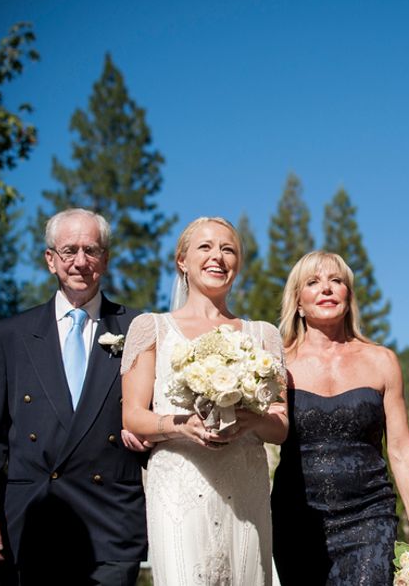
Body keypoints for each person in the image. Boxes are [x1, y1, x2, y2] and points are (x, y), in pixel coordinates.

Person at [0, 208, 148, 585]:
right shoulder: (10, 335)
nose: (80, 261)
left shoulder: (140, 329)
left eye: (91, 250)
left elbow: (156, 416)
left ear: (105, 259)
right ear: (50, 260)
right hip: (34, 520)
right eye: (69, 251)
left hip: (112, 520)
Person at [121, 216, 288, 586]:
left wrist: (250, 420)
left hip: (245, 485)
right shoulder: (151, 328)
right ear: (182, 260)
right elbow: (132, 416)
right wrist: (181, 426)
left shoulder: (264, 336)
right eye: (205, 247)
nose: (218, 257)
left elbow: (280, 427)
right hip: (178, 485)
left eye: (228, 249)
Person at [271, 251, 409, 585]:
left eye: (336, 281)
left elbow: (401, 449)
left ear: (348, 296)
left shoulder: (382, 361)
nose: (326, 289)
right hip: (296, 517)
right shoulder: (277, 363)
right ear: (298, 302)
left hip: (369, 514)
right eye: (313, 282)